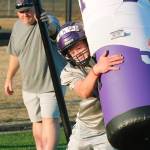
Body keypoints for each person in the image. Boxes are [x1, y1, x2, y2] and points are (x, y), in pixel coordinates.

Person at [4, 0, 65, 149]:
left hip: (51, 84)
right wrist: (9, 78)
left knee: (50, 120)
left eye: (28, 10)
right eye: (21, 12)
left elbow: (54, 30)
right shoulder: (17, 26)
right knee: (36, 121)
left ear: (36, 8)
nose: (25, 15)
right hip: (30, 86)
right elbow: (15, 54)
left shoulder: (47, 20)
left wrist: (47, 23)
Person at [56, 22, 124, 150]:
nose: (77, 53)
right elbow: (83, 92)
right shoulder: (69, 71)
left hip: (110, 126)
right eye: (71, 51)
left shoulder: (104, 55)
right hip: (86, 126)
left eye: (79, 47)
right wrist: (95, 71)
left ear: (87, 42)